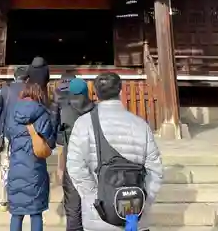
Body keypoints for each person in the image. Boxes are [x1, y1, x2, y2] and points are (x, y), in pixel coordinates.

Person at [66, 72, 163, 231]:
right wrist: (142, 200)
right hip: (135, 217)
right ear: (120, 91)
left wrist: (95, 199)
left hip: (99, 218)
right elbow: (155, 170)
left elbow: (75, 168)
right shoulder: (141, 126)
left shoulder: (83, 124)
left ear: (95, 93)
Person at [6, 82, 56, 231]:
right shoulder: (42, 112)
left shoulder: (12, 112)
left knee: (16, 213)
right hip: (35, 167)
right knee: (35, 213)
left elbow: (8, 134)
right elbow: (51, 142)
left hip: (16, 166)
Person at [0, 65, 29, 211]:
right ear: (27, 78)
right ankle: (22, 197)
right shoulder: (31, 90)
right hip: (26, 135)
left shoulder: (6, 90)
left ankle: (3, 200)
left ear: (14, 76)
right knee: (25, 166)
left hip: (7, 133)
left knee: (6, 167)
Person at [60, 78, 95, 231]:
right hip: (94, 163)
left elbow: (60, 139)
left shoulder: (65, 112)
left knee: (73, 208)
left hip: (72, 164)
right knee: (94, 206)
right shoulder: (96, 110)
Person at [49, 69, 76, 143]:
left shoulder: (57, 93)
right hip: (78, 135)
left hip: (62, 134)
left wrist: (52, 135)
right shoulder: (80, 93)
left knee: (62, 153)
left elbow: (54, 117)